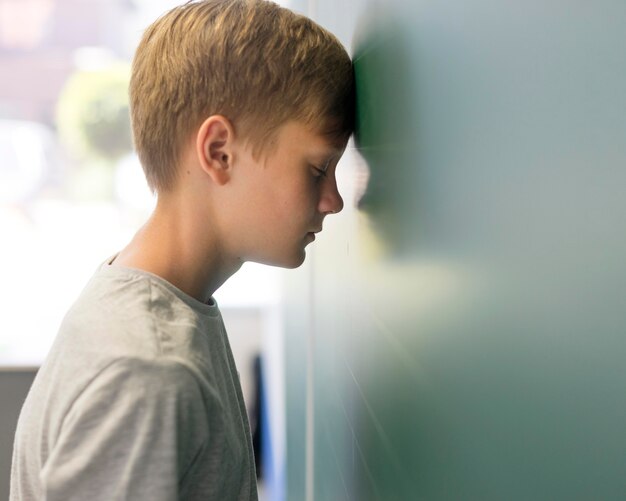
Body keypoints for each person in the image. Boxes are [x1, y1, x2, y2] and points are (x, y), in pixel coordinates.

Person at [9, 0, 355, 499]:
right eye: (318, 169)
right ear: (219, 152)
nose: (334, 200)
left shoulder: (151, 303)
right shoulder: (146, 371)